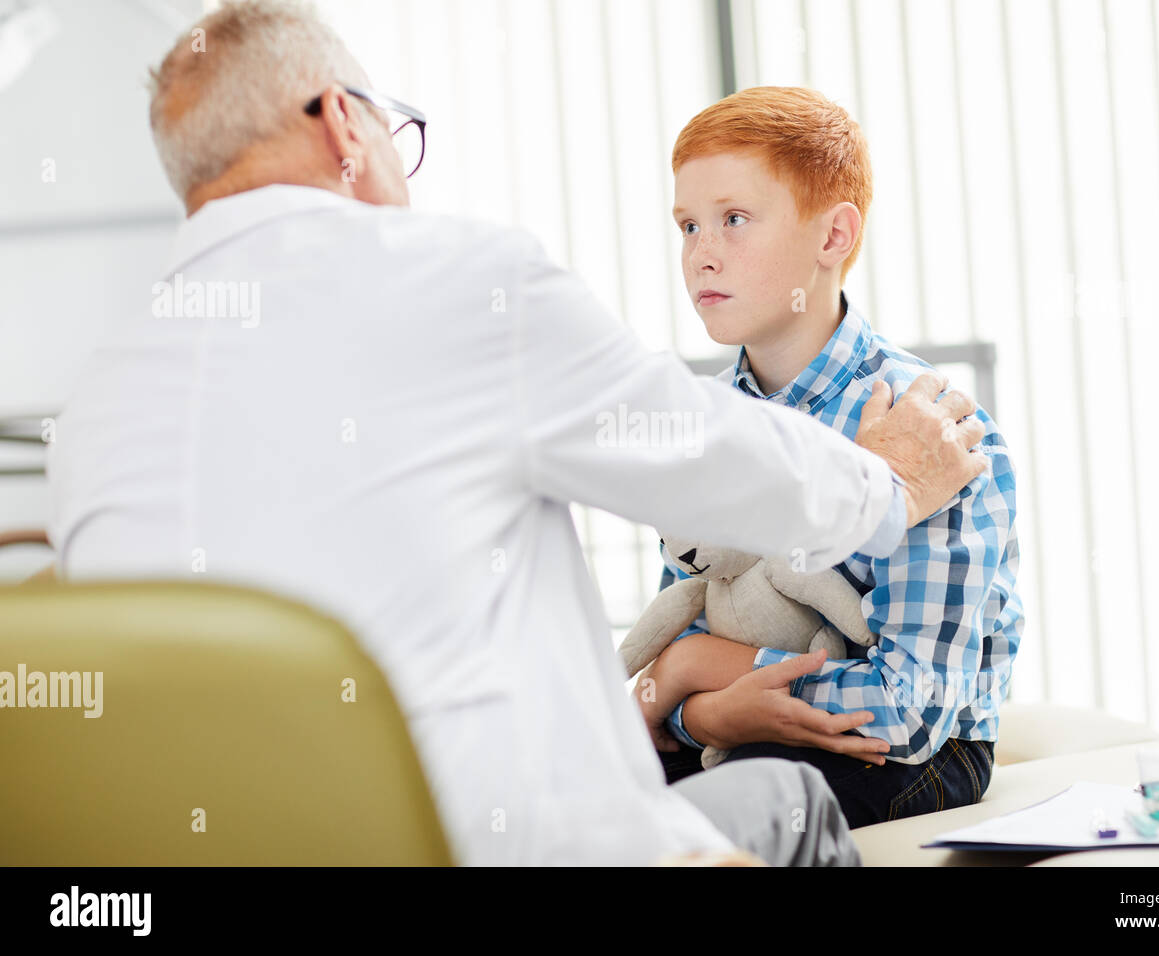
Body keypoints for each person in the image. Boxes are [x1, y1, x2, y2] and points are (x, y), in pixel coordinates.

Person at [45, 1, 988, 865]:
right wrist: (889, 482)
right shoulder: (452, 280)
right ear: (342, 119)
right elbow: (704, 455)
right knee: (785, 803)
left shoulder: (94, 407)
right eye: (391, 130)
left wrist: (674, 685)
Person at [641, 87, 1023, 829]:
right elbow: (676, 636)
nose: (701, 252)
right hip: (738, 726)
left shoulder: (936, 431)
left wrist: (701, 679)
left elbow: (906, 713)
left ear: (832, 236)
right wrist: (706, 716)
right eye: (687, 225)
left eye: (734, 219)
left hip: (915, 752)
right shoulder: (708, 425)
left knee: (718, 815)